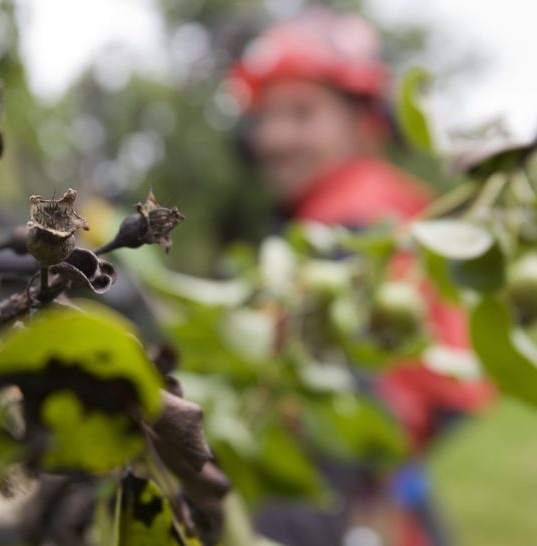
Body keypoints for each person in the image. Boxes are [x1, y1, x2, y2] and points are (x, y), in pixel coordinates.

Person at [228, 9, 492, 546]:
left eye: (301, 115)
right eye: (265, 117)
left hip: (342, 488)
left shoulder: (351, 217)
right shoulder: (385, 201)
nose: (273, 138)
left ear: (363, 121)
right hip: (387, 485)